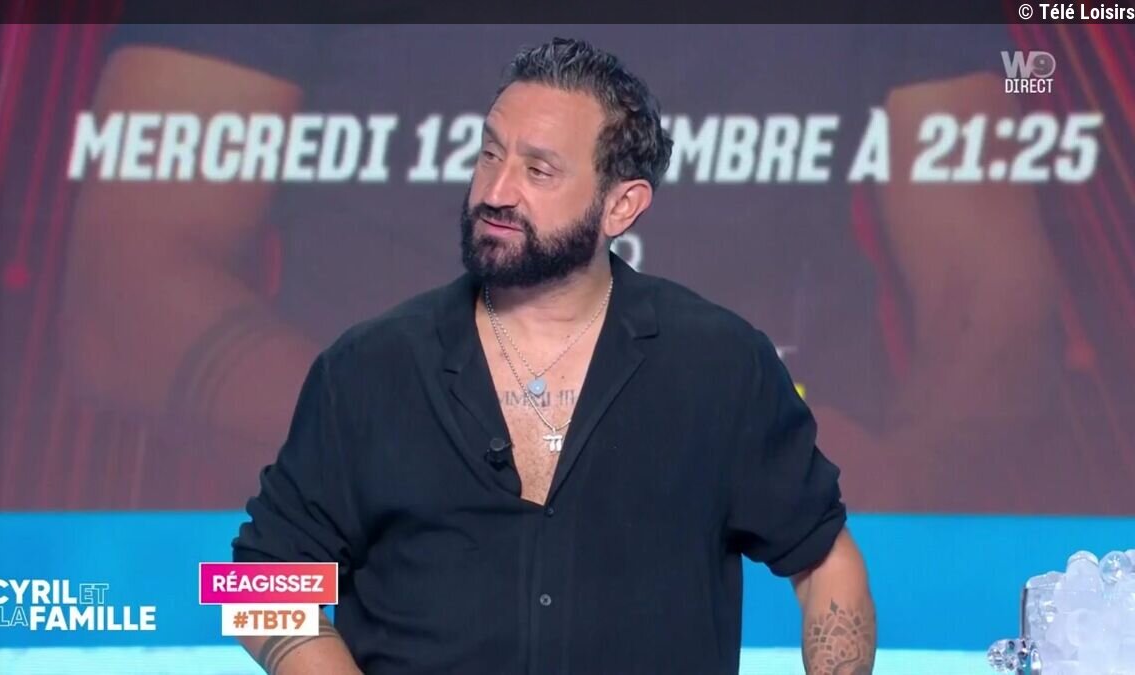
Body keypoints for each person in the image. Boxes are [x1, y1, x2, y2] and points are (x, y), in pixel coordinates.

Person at [58, 22, 1099, 514]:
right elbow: (125, 287)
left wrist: (906, 482)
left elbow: (991, 289)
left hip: (775, 548)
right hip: (396, 553)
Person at [231, 38, 875, 675]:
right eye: (490, 154)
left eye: (538, 171)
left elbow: (824, 560)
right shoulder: (368, 369)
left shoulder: (720, 366)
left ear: (621, 206)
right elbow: (255, 583)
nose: (497, 190)